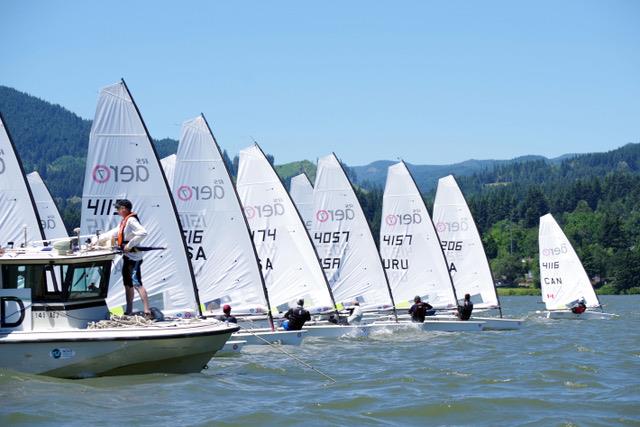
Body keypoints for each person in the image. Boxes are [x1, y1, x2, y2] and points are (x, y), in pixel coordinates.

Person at [94, 199, 151, 319]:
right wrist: (97, 240)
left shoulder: (131, 220)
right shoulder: (124, 222)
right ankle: (129, 311)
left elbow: (143, 233)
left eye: (118, 208)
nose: (117, 210)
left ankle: (147, 311)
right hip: (127, 257)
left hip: (134, 257)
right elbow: (113, 233)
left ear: (124, 208)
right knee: (128, 284)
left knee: (136, 283)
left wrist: (129, 245)